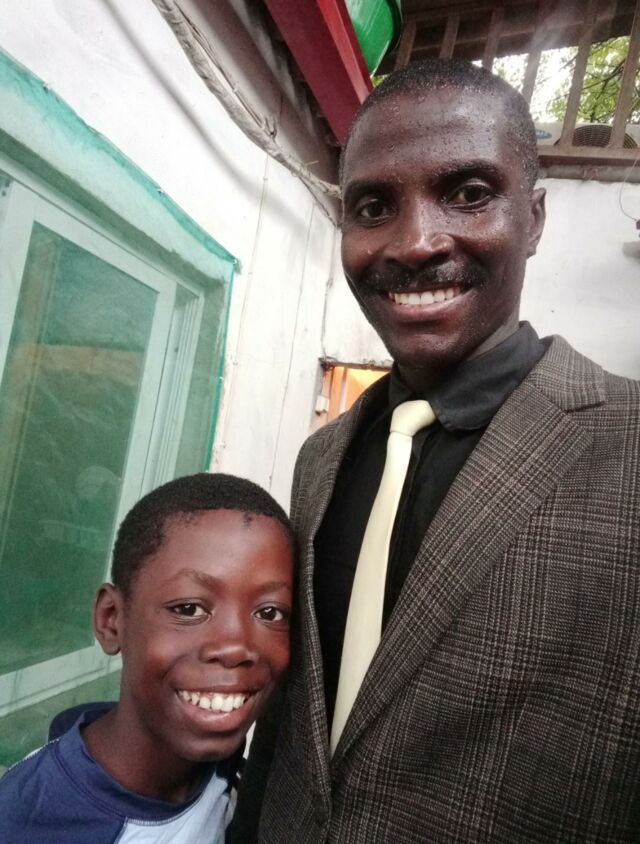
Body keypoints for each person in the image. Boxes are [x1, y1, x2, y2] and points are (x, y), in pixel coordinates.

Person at [229, 59, 640, 842]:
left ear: (534, 218)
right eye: (373, 206)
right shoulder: (322, 460)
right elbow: (295, 728)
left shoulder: (629, 447)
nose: (415, 243)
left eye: (468, 193)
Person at [0, 473, 294, 843]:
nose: (236, 648)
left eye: (270, 613)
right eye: (188, 609)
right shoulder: (29, 824)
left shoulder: (223, 758)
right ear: (111, 619)